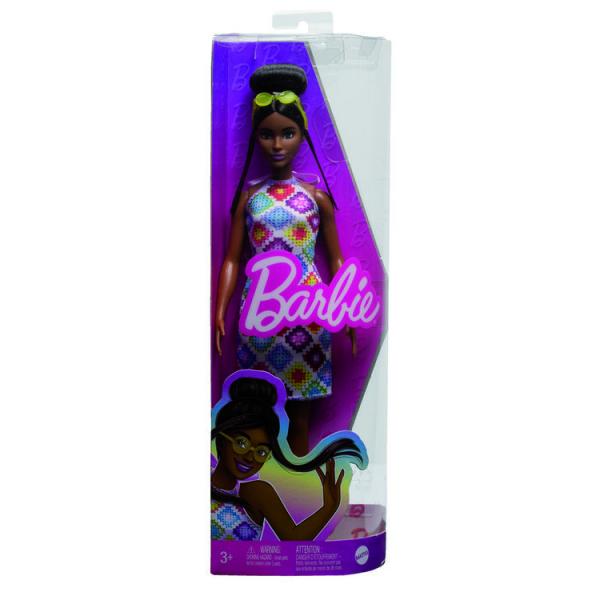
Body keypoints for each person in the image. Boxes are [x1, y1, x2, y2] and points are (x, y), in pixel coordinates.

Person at [215, 63, 355, 455]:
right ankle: (263, 480)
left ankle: (299, 482)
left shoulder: (316, 198)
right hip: (260, 316)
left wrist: (346, 310)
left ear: (302, 135)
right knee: (260, 413)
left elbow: (337, 260)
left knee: (300, 415)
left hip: (306, 316)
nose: (277, 144)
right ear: (256, 137)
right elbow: (231, 259)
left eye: (288, 133)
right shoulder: (250, 198)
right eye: (267, 134)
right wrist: (220, 309)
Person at [211, 373, 367, 541]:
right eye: (241, 443)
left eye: (261, 452)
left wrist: (328, 508)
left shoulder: (255, 492)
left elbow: (293, 539)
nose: (250, 457)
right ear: (221, 437)